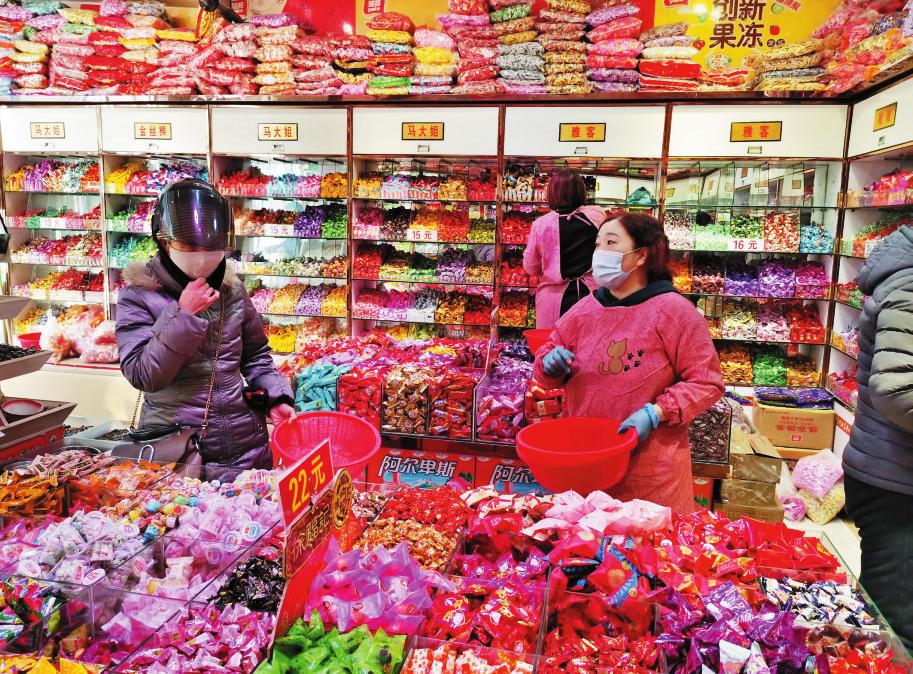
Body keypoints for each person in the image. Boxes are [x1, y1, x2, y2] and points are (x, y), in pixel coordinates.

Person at [533, 212, 724, 513]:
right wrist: (550, 365)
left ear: (641, 256)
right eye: (598, 245)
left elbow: (706, 381)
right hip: (587, 459)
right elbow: (548, 357)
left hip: (649, 469)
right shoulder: (584, 310)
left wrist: (656, 412)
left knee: (645, 539)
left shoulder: (675, 312)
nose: (600, 253)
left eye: (611, 243)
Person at [115, 178, 295, 469]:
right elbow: (144, 375)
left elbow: (256, 357)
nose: (202, 255)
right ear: (164, 241)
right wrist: (183, 315)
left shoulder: (232, 290)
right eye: (188, 245)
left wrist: (276, 397)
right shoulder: (138, 296)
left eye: (212, 245)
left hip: (245, 445)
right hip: (178, 450)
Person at [842, 225, 913, 649]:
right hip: (896, 483)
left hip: (892, 470)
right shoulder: (909, 286)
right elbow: (896, 388)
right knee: (894, 632)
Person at [523, 169, 606, 329]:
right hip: (592, 295)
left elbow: (531, 266)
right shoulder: (597, 215)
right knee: (588, 340)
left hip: (553, 299)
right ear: (580, 191)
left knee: (553, 342)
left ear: (552, 193)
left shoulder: (541, 224)